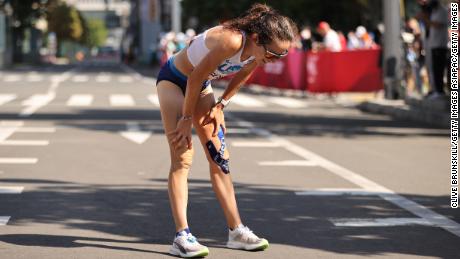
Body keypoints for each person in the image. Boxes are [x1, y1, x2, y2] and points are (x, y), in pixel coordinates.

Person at [155, 3, 298, 258]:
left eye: (282, 56)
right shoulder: (231, 41)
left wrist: (222, 104)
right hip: (176, 81)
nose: (274, 60)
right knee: (182, 157)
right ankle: (181, 236)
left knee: (220, 159)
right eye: (273, 54)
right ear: (256, 38)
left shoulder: (257, 51)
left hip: (200, 86)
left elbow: (244, 71)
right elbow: (196, 76)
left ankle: (236, 231)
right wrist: (186, 118)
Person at [417, 0, 449, 99]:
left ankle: (439, 91)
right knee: (432, 68)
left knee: (439, 68)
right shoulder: (433, 12)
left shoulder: (442, 11)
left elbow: (438, 24)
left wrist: (425, 19)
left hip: (440, 44)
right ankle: (434, 89)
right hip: (432, 43)